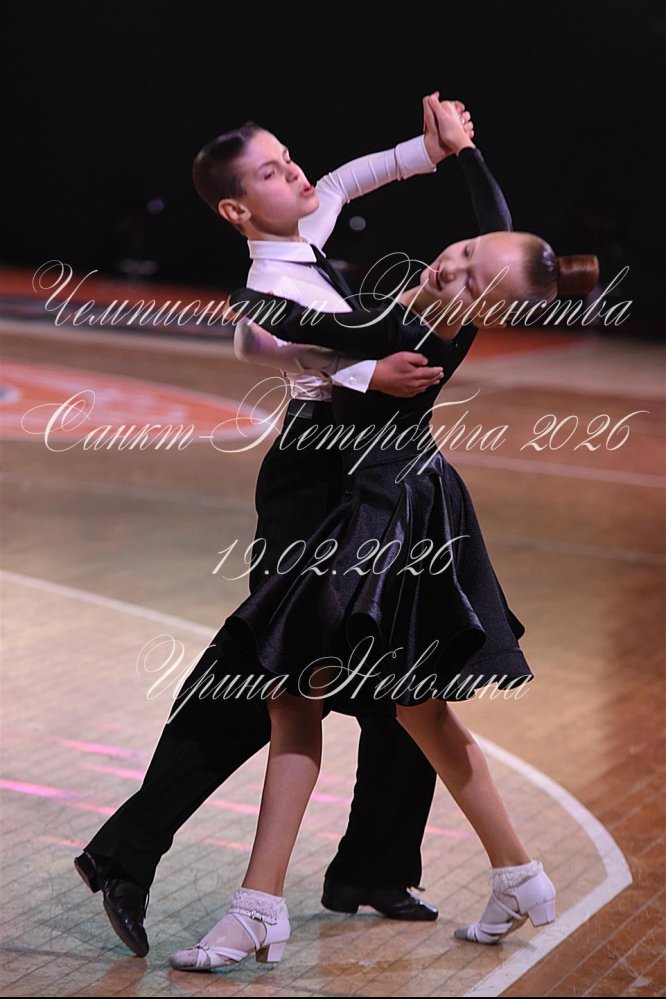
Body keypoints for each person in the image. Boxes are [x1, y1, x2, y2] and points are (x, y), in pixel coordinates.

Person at [167, 99, 600, 971]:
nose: (455, 261)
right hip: (397, 505)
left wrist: (278, 328)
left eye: (472, 272)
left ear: (487, 301)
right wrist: (460, 154)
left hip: (387, 521)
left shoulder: (409, 326)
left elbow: (287, 324)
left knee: (304, 694)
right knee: (416, 709)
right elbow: (492, 234)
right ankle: (520, 876)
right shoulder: (439, 300)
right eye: (464, 249)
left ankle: (258, 906)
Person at [73, 94, 478, 956]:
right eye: (271, 171)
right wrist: (368, 374)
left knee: (399, 669)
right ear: (236, 209)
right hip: (316, 483)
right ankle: (131, 850)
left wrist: (427, 151)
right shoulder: (269, 282)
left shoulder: (305, 227)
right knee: (264, 682)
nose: (295, 174)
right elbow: (262, 342)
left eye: (286, 158)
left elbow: (342, 179)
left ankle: (372, 866)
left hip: (365, 474)